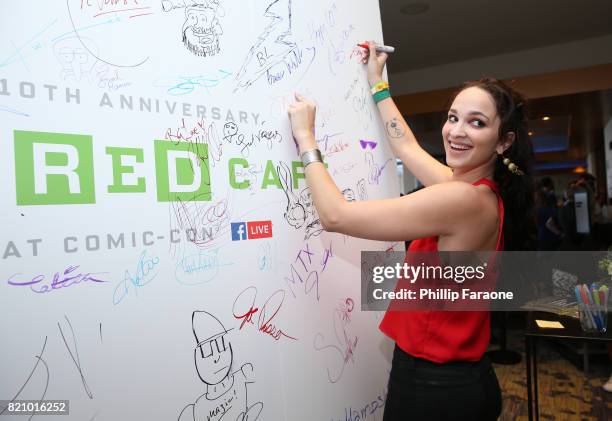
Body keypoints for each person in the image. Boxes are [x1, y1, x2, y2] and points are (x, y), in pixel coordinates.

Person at [287, 42, 535, 421]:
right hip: (461, 383)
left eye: (477, 122)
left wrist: (306, 140)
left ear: (504, 142)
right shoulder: (480, 195)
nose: (457, 131)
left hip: (435, 391)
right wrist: (377, 83)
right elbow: (406, 145)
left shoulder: (461, 201)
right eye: (453, 117)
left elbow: (335, 216)